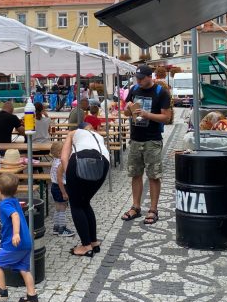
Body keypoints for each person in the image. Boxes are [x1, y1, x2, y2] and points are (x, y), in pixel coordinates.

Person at [121, 65, 171, 225]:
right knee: (135, 174)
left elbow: (167, 117)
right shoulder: (134, 89)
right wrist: (128, 109)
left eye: (142, 78)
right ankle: (136, 207)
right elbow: (125, 111)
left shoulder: (161, 92)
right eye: (138, 78)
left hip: (152, 139)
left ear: (151, 76)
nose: (139, 81)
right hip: (135, 138)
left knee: (153, 175)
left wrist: (147, 114)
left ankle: (153, 210)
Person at [0, 173, 39, 302]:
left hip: (15, 243)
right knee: (24, 269)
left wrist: (16, 234)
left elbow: (15, 216)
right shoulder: (14, 201)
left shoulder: (4, 204)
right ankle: (32, 297)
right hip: (26, 243)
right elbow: (9, 217)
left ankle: (2, 291)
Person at [61, 122, 110, 256]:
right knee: (85, 202)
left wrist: (71, 177)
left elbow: (63, 157)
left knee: (76, 205)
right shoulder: (98, 136)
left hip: (80, 160)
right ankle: (93, 242)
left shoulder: (73, 133)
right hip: (103, 163)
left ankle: (85, 246)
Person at [49, 141, 74, 237]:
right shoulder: (61, 164)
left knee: (58, 208)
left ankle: (56, 227)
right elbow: (60, 179)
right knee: (62, 208)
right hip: (60, 187)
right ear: (60, 153)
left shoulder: (55, 161)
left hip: (54, 186)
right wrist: (64, 192)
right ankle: (62, 229)